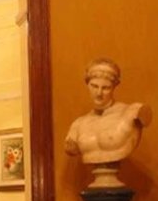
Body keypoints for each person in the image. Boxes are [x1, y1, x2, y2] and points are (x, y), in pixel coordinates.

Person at [65, 58, 152, 187]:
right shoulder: (78, 124)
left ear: (114, 87)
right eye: (94, 86)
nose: (99, 93)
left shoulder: (132, 112)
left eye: (105, 88)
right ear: (87, 85)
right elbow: (71, 148)